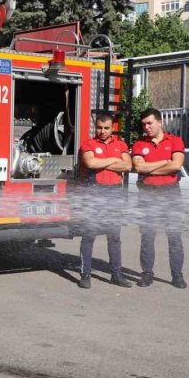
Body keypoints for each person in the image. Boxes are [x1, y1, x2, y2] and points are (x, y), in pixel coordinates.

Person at [132, 108, 187, 289]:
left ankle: (177, 275)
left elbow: (176, 165)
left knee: (174, 237)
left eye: (150, 123)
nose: (146, 127)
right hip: (148, 194)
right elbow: (139, 168)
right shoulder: (139, 144)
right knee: (147, 236)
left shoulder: (175, 141)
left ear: (159, 122)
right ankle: (147, 274)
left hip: (171, 193)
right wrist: (164, 162)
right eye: (144, 124)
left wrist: (151, 167)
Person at [77, 113, 131, 289]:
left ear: (112, 127)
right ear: (96, 126)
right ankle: (85, 275)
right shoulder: (88, 144)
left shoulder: (121, 144)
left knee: (114, 237)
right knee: (89, 236)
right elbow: (90, 163)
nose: (102, 131)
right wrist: (115, 160)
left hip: (114, 194)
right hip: (94, 193)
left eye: (106, 128)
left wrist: (104, 162)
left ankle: (116, 274)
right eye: (99, 127)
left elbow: (128, 165)